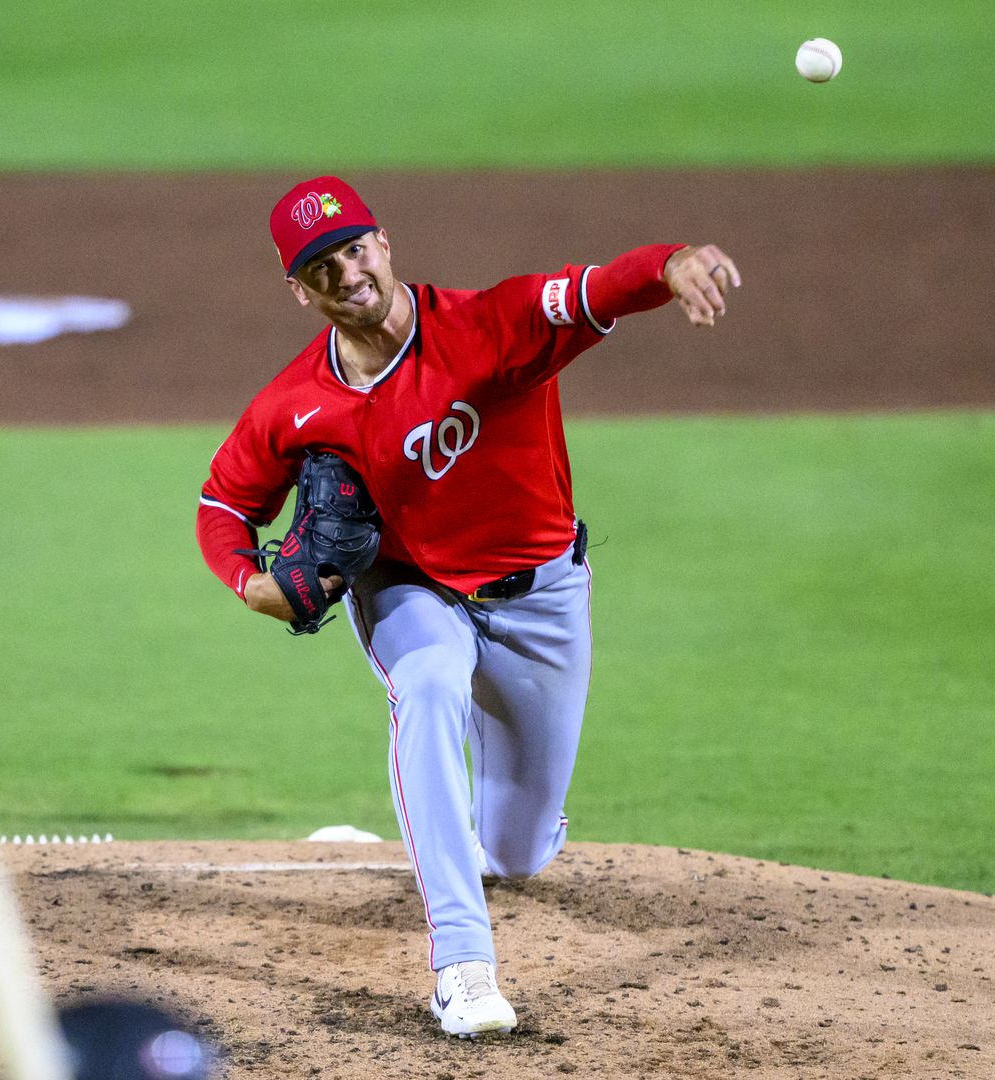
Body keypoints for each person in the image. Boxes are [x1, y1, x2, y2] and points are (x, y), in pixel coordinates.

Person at [194, 177, 739, 1037]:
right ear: (299, 290)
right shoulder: (296, 404)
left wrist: (670, 266)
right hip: (412, 591)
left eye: (354, 248)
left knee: (518, 853)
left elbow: (599, 288)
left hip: (542, 595)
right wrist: (252, 584)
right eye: (321, 268)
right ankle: (462, 966)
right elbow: (223, 506)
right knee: (431, 688)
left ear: (384, 243)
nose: (348, 273)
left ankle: (483, 825)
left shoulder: (495, 325)